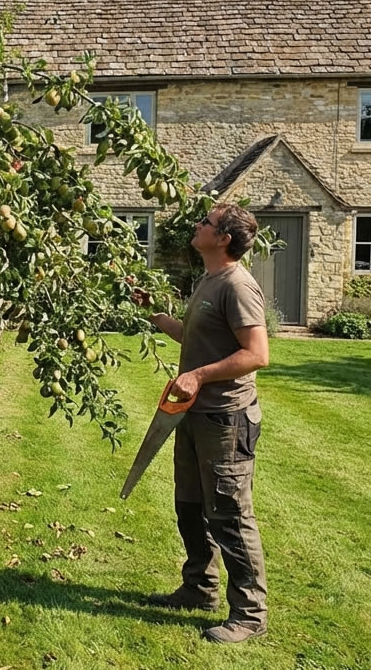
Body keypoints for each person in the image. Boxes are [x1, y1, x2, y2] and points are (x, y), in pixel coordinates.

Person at [138, 203, 270, 644]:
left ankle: (250, 614)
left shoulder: (238, 285)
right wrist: (161, 319)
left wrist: (197, 375)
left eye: (206, 223)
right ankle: (199, 588)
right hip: (194, 413)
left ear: (224, 238)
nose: (197, 225)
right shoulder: (209, 280)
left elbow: (256, 354)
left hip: (225, 417)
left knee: (229, 513)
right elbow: (200, 337)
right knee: (190, 506)